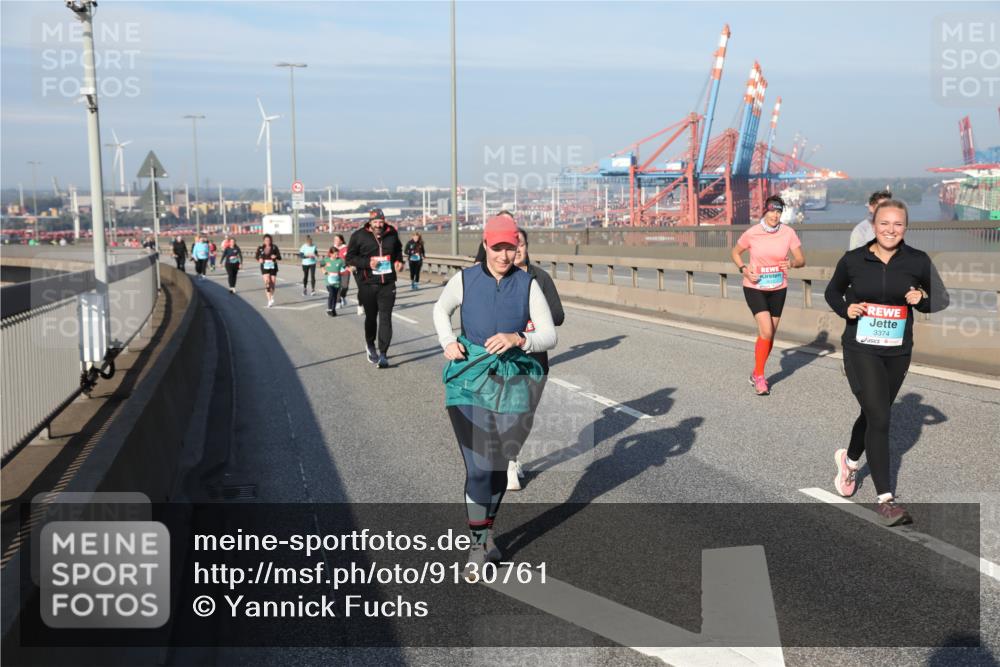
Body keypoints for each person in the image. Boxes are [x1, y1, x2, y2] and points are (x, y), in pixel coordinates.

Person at [433, 216, 557, 575]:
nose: (505, 255)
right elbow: (441, 309)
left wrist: (520, 339)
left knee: (500, 467)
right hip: (468, 379)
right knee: (480, 466)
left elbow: (549, 334)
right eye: (498, 247)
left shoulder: (528, 284)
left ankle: (487, 533)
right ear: (486, 245)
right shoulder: (465, 279)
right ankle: (477, 546)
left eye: (511, 247)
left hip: (515, 380)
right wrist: (448, 341)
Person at [825, 199, 949, 526]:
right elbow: (832, 292)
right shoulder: (854, 260)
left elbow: (942, 298)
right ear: (874, 224)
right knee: (881, 416)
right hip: (860, 348)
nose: (891, 230)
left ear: (905, 227)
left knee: (873, 412)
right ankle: (886, 500)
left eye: (898, 224)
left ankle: (849, 462)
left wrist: (922, 299)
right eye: (885, 224)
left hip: (897, 352)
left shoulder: (917, 261)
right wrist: (845, 310)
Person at [506, 224, 564, 491]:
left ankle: (512, 454)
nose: (516, 250)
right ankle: (507, 462)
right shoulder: (500, 279)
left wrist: (535, 320)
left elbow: (558, 316)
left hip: (536, 356)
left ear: (527, 248)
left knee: (526, 413)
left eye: (521, 245)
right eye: (512, 245)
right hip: (506, 357)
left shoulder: (540, 278)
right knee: (510, 408)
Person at [730, 195, 806, 396]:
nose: (775, 215)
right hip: (755, 287)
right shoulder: (752, 233)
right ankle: (761, 378)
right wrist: (744, 269)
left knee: (770, 334)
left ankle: (755, 372)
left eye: (779, 211)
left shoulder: (788, 232)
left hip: (778, 288)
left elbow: (801, 260)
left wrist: (791, 264)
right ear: (765, 211)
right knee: (765, 330)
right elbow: (735, 253)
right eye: (772, 210)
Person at [346, 208, 404, 368]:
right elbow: (349, 258)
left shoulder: (392, 233)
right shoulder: (359, 236)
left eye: (380, 221)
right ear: (370, 222)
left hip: (388, 283)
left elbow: (398, 250)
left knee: (386, 318)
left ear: (384, 221)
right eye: (375, 222)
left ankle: (383, 354)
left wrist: (399, 261)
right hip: (368, 284)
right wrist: (367, 264)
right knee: (371, 318)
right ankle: (370, 345)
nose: (378, 225)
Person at [254, 234, 282, 308]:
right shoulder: (260, 248)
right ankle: (269, 300)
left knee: (272, 283)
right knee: (267, 283)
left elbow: (279, 257)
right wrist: (259, 259)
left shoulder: (274, 247)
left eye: (269, 240)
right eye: (266, 240)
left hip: (273, 266)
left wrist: (275, 256)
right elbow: (256, 256)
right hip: (264, 266)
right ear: (263, 241)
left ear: (271, 240)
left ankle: (272, 295)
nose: (267, 241)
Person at [321, 245, 347, 316]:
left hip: (337, 282)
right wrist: (324, 271)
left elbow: (344, 267)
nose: (337, 255)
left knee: (335, 296)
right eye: (335, 254)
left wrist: (348, 268)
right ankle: (329, 309)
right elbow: (321, 265)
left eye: (337, 254)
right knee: (331, 294)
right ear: (331, 254)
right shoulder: (326, 260)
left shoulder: (340, 260)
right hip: (329, 282)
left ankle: (333, 309)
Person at [332, 234, 351, 308]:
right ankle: (338, 302)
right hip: (336, 271)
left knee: (345, 286)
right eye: (334, 240)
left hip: (345, 270)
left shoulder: (346, 248)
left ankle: (343, 296)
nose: (335, 241)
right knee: (338, 287)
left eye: (337, 240)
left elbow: (350, 258)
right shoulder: (333, 249)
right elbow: (329, 258)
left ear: (341, 241)